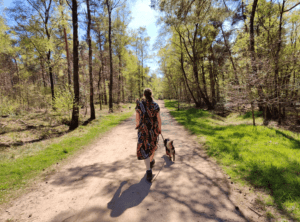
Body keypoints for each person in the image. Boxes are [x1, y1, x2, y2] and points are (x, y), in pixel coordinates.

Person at [135, 88, 161, 182]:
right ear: (151, 94)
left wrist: (138, 125)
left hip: (143, 130)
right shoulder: (155, 105)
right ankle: (150, 161)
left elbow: (137, 118)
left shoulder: (140, 105)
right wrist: (159, 129)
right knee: (152, 147)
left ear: (144, 95)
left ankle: (148, 170)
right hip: (152, 130)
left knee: (145, 148)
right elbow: (158, 119)